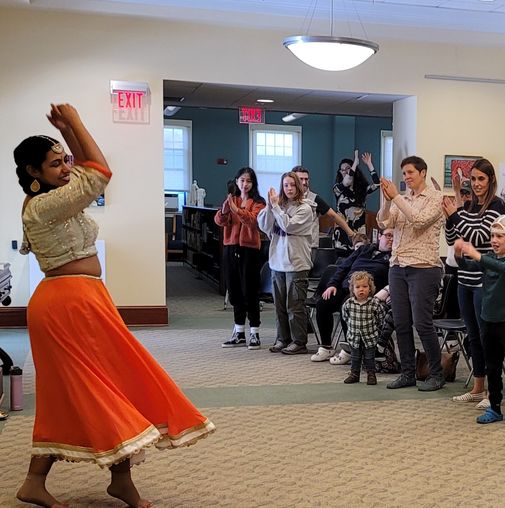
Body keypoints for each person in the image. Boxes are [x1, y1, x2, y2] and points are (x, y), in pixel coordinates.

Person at [14, 104, 215, 508]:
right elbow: (99, 172)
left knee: (113, 382)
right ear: (33, 174)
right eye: (54, 165)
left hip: (86, 299)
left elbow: (84, 167)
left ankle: (117, 480)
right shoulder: (42, 206)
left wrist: (68, 134)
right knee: (84, 391)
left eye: (62, 161)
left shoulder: (57, 198)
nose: (64, 169)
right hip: (63, 307)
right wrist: (75, 123)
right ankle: (41, 481)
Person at [455, 215, 505, 430]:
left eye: (500, 236)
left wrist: (476, 254)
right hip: (489, 319)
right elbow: (470, 267)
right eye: (492, 235)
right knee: (492, 367)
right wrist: (459, 255)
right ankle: (495, 407)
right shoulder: (490, 258)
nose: (494, 239)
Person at [378, 156, 447, 392]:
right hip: (398, 265)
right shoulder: (403, 198)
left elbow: (418, 222)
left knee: (422, 323)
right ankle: (407, 373)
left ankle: (436, 374)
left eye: (410, 173)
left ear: (423, 173)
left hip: (424, 267)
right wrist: (387, 200)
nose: (406, 177)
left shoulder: (437, 198)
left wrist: (396, 196)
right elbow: (384, 222)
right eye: (404, 173)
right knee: (401, 322)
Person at [443, 158, 505, 406]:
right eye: (474, 179)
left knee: (486, 336)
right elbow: (454, 238)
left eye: (482, 179)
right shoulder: (470, 207)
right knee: (472, 336)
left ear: (490, 180)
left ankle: (493, 390)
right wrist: (450, 218)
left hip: (486, 281)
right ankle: (478, 387)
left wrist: (457, 217)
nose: (477, 184)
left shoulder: (497, 206)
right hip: (465, 279)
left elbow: (481, 239)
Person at [310, 228, 393, 363]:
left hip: (367, 293)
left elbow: (393, 280)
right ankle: (326, 347)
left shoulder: (393, 257)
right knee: (323, 303)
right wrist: (332, 284)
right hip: (346, 286)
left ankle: (350, 349)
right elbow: (343, 267)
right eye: (388, 235)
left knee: (348, 306)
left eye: (394, 237)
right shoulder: (364, 249)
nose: (391, 239)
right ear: (379, 236)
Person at [258, 171, 317, 355]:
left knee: (294, 305)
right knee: (279, 306)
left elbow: (288, 226)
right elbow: (264, 225)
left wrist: (276, 208)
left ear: (298, 186)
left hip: (297, 264)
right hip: (277, 263)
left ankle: (299, 341)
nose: (289, 188)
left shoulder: (305, 209)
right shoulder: (278, 205)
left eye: (292, 184)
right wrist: (270, 206)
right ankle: (282, 339)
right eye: (285, 185)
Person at [216, 166, 267, 350]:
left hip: (249, 250)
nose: (245, 184)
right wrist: (224, 210)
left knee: (250, 290)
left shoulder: (258, 202)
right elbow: (219, 222)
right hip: (230, 248)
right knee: (235, 289)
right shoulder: (231, 199)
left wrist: (236, 210)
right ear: (236, 181)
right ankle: (239, 332)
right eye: (242, 180)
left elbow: (253, 221)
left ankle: (254, 332)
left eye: (248, 181)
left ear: (253, 183)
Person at [292, 165, 355, 249]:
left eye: (306, 179)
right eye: (301, 179)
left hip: (309, 246)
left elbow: (334, 216)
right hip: (291, 245)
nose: (304, 182)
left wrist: (351, 234)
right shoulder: (286, 199)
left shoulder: (314, 198)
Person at [341, 271, 386, 386]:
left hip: (369, 337)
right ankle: (354, 374)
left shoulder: (374, 304)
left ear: (370, 288)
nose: (361, 289)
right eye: (358, 287)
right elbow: (345, 316)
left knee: (369, 357)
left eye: (365, 287)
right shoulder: (349, 303)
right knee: (355, 357)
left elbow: (380, 317)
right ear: (352, 289)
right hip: (354, 336)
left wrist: (375, 329)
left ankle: (371, 375)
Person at [332, 150, 381, 252]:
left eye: (348, 169)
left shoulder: (362, 189)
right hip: (342, 231)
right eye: (342, 170)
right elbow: (347, 182)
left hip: (359, 232)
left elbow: (377, 184)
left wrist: (369, 164)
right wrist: (355, 164)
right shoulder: (338, 188)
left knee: (358, 258)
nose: (345, 171)